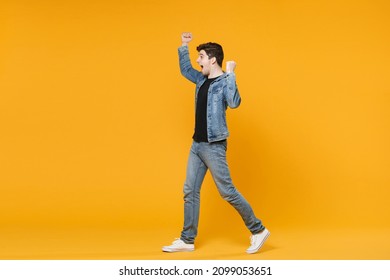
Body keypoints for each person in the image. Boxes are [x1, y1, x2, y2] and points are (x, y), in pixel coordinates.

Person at [162, 32, 269, 254]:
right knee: (190, 190)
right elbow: (185, 70)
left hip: (214, 146)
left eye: (200, 56)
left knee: (227, 191)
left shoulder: (223, 82)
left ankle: (258, 230)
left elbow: (234, 102)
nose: (198, 61)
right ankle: (187, 239)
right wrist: (184, 45)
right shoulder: (201, 79)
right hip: (197, 145)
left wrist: (230, 74)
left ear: (213, 59)